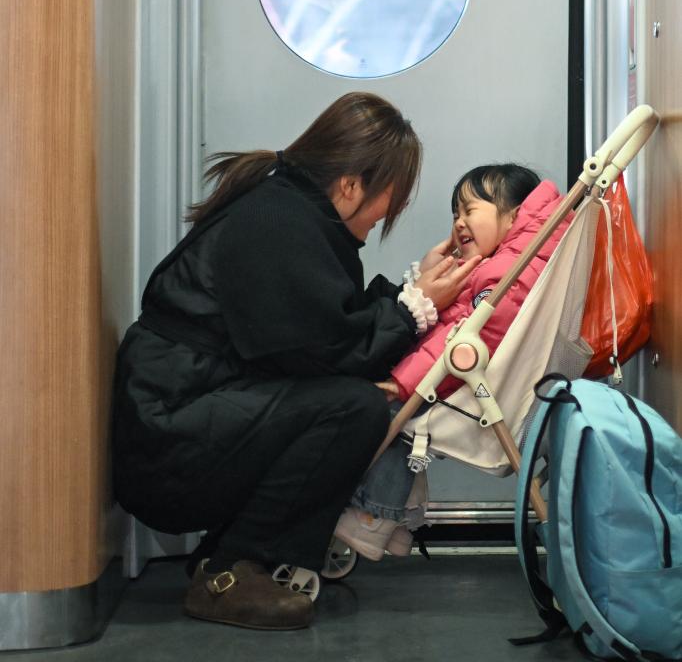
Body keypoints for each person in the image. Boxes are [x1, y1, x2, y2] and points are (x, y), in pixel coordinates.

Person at [112, 92, 480, 631]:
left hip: (176, 415)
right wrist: (412, 309)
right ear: (350, 185)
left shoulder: (286, 209)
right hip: (167, 443)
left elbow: (328, 326)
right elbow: (328, 352)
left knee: (349, 401)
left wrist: (412, 296)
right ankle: (229, 572)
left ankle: (233, 556)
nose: (389, 213)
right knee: (353, 408)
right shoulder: (278, 221)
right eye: (391, 197)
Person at [334, 163, 571, 562]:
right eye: (455, 213)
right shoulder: (504, 265)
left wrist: (403, 382)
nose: (459, 222)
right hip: (468, 384)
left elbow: (461, 339)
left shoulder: (504, 276)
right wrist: (426, 277)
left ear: (514, 216)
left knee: (389, 412)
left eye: (470, 210)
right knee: (399, 416)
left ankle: (374, 516)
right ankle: (398, 519)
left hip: (474, 391)